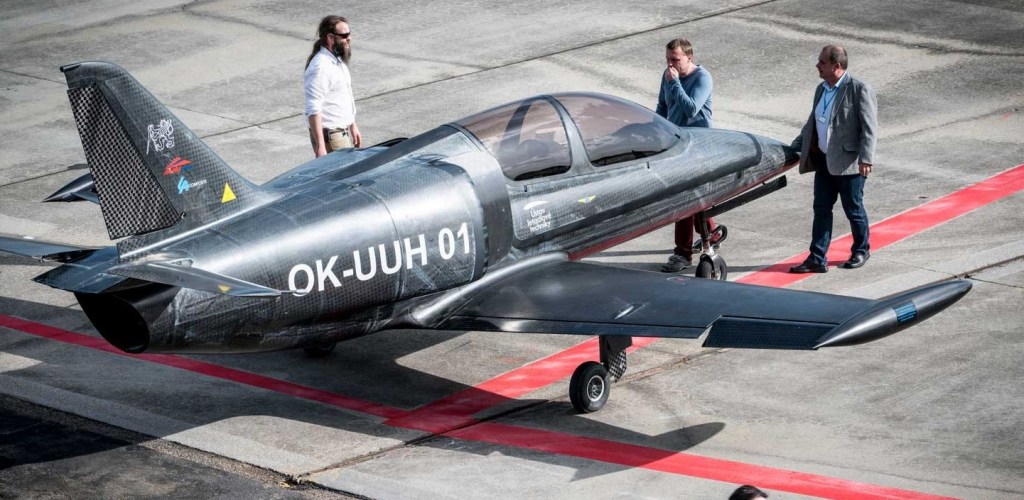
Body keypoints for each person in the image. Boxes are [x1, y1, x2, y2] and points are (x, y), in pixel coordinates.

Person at [789, 45, 877, 273]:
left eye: (822, 62)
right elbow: (813, 123)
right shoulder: (821, 89)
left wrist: (866, 159)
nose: (817, 65)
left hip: (849, 165)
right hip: (824, 162)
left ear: (836, 66)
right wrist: (795, 147)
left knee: (853, 209)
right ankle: (817, 258)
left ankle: (861, 250)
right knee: (821, 209)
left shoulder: (859, 89)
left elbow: (869, 128)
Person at [656, 38, 724, 272]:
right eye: (667, 59)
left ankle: (682, 254)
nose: (670, 64)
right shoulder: (668, 76)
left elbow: (691, 108)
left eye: (675, 59)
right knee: (696, 196)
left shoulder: (703, 78)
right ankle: (711, 234)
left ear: (689, 57)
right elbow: (662, 107)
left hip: (698, 147)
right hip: (676, 144)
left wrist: (675, 83)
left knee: (684, 197)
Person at [304, 15, 361, 158]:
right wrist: (320, 145)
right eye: (344, 36)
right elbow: (313, 108)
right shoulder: (320, 67)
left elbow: (342, 97)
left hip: (340, 133)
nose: (349, 39)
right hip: (332, 138)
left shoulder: (337, 60)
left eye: (349, 34)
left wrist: (352, 124)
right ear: (330, 38)